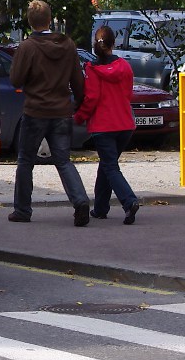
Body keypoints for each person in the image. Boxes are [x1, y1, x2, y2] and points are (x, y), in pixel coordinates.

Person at [8, 0, 91, 226]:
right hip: (62, 110)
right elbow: (78, 80)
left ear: (29, 21)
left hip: (36, 110)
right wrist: (78, 102)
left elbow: (15, 79)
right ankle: (80, 200)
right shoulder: (68, 45)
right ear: (49, 18)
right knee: (63, 160)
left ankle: (23, 210)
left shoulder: (27, 47)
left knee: (25, 161)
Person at [75, 25, 140, 224]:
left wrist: (79, 117)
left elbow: (92, 98)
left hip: (103, 126)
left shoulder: (92, 69)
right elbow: (128, 94)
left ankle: (129, 202)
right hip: (125, 124)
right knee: (106, 166)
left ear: (96, 44)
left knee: (110, 167)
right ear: (114, 43)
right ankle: (101, 208)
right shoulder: (125, 66)